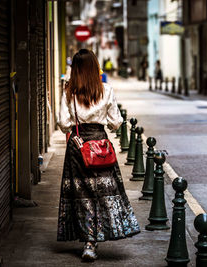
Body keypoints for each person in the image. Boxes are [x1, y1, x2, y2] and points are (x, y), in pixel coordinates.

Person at [57, 49, 140, 262]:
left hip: (78, 146)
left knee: (82, 195)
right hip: (101, 146)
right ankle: (99, 236)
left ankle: (89, 243)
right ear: (96, 68)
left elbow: (64, 123)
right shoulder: (107, 90)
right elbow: (116, 122)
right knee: (103, 193)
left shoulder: (69, 91)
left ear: (75, 69)